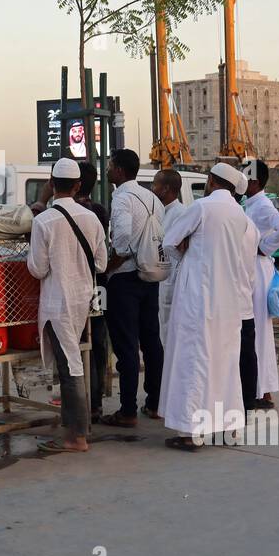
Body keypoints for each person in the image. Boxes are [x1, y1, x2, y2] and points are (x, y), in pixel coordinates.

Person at [158, 162, 258, 451]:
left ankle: (191, 433)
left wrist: (185, 255)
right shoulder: (239, 215)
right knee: (225, 363)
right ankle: (229, 428)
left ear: (212, 182)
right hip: (228, 301)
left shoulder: (202, 208)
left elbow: (169, 241)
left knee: (194, 361)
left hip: (198, 299)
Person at [27, 158, 108, 454]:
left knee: (71, 366)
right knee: (72, 362)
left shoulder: (43, 221)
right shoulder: (92, 219)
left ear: (51, 184)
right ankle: (74, 430)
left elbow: (37, 268)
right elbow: (100, 263)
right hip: (82, 299)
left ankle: (78, 436)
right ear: (77, 186)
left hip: (56, 302)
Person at [101, 148, 166, 427]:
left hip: (126, 280)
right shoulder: (153, 199)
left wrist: (108, 269)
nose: (106, 170)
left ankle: (127, 409)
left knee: (126, 346)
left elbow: (123, 242)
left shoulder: (122, 199)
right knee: (151, 342)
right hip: (149, 277)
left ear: (119, 171)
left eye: (109, 165)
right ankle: (155, 403)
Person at [243, 160, 279, 409]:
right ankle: (262, 390)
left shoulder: (262, 205)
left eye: (245, 178)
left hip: (258, 269)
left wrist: (264, 247)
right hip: (255, 270)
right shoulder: (251, 204)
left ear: (254, 182)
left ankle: (259, 390)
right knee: (258, 332)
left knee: (257, 332)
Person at [74, 160, 110, 423]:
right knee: (97, 340)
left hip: (76, 287)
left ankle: (81, 399)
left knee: (77, 343)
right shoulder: (99, 211)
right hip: (99, 285)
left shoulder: (62, 212)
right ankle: (96, 403)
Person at [150, 169, 188, 352]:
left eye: (155, 184)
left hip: (171, 284)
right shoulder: (158, 212)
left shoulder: (181, 214)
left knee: (170, 341)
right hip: (158, 284)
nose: (152, 188)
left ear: (165, 189)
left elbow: (179, 250)